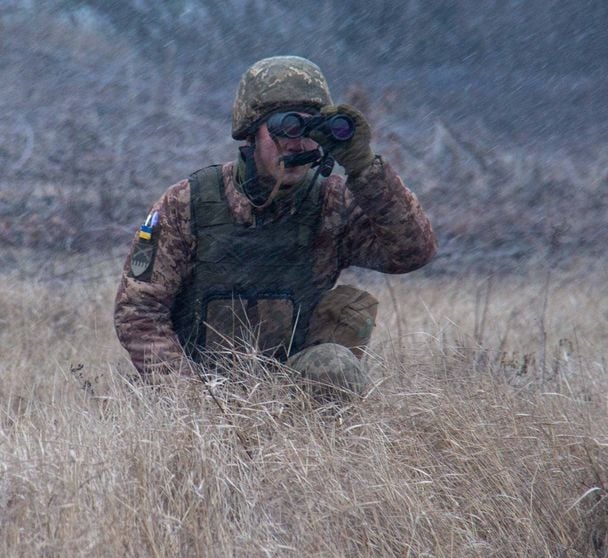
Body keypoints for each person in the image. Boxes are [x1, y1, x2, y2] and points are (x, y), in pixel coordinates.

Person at [114, 56, 436, 395]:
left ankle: (318, 447)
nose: (299, 143)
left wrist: (364, 168)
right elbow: (138, 311)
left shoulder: (332, 203)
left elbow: (412, 253)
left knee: (335, 367)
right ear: (252, 133)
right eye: (285, 128)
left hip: (293, 385)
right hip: (199, 383)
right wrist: (189, 398)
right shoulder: (188, 202)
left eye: (312, 130)